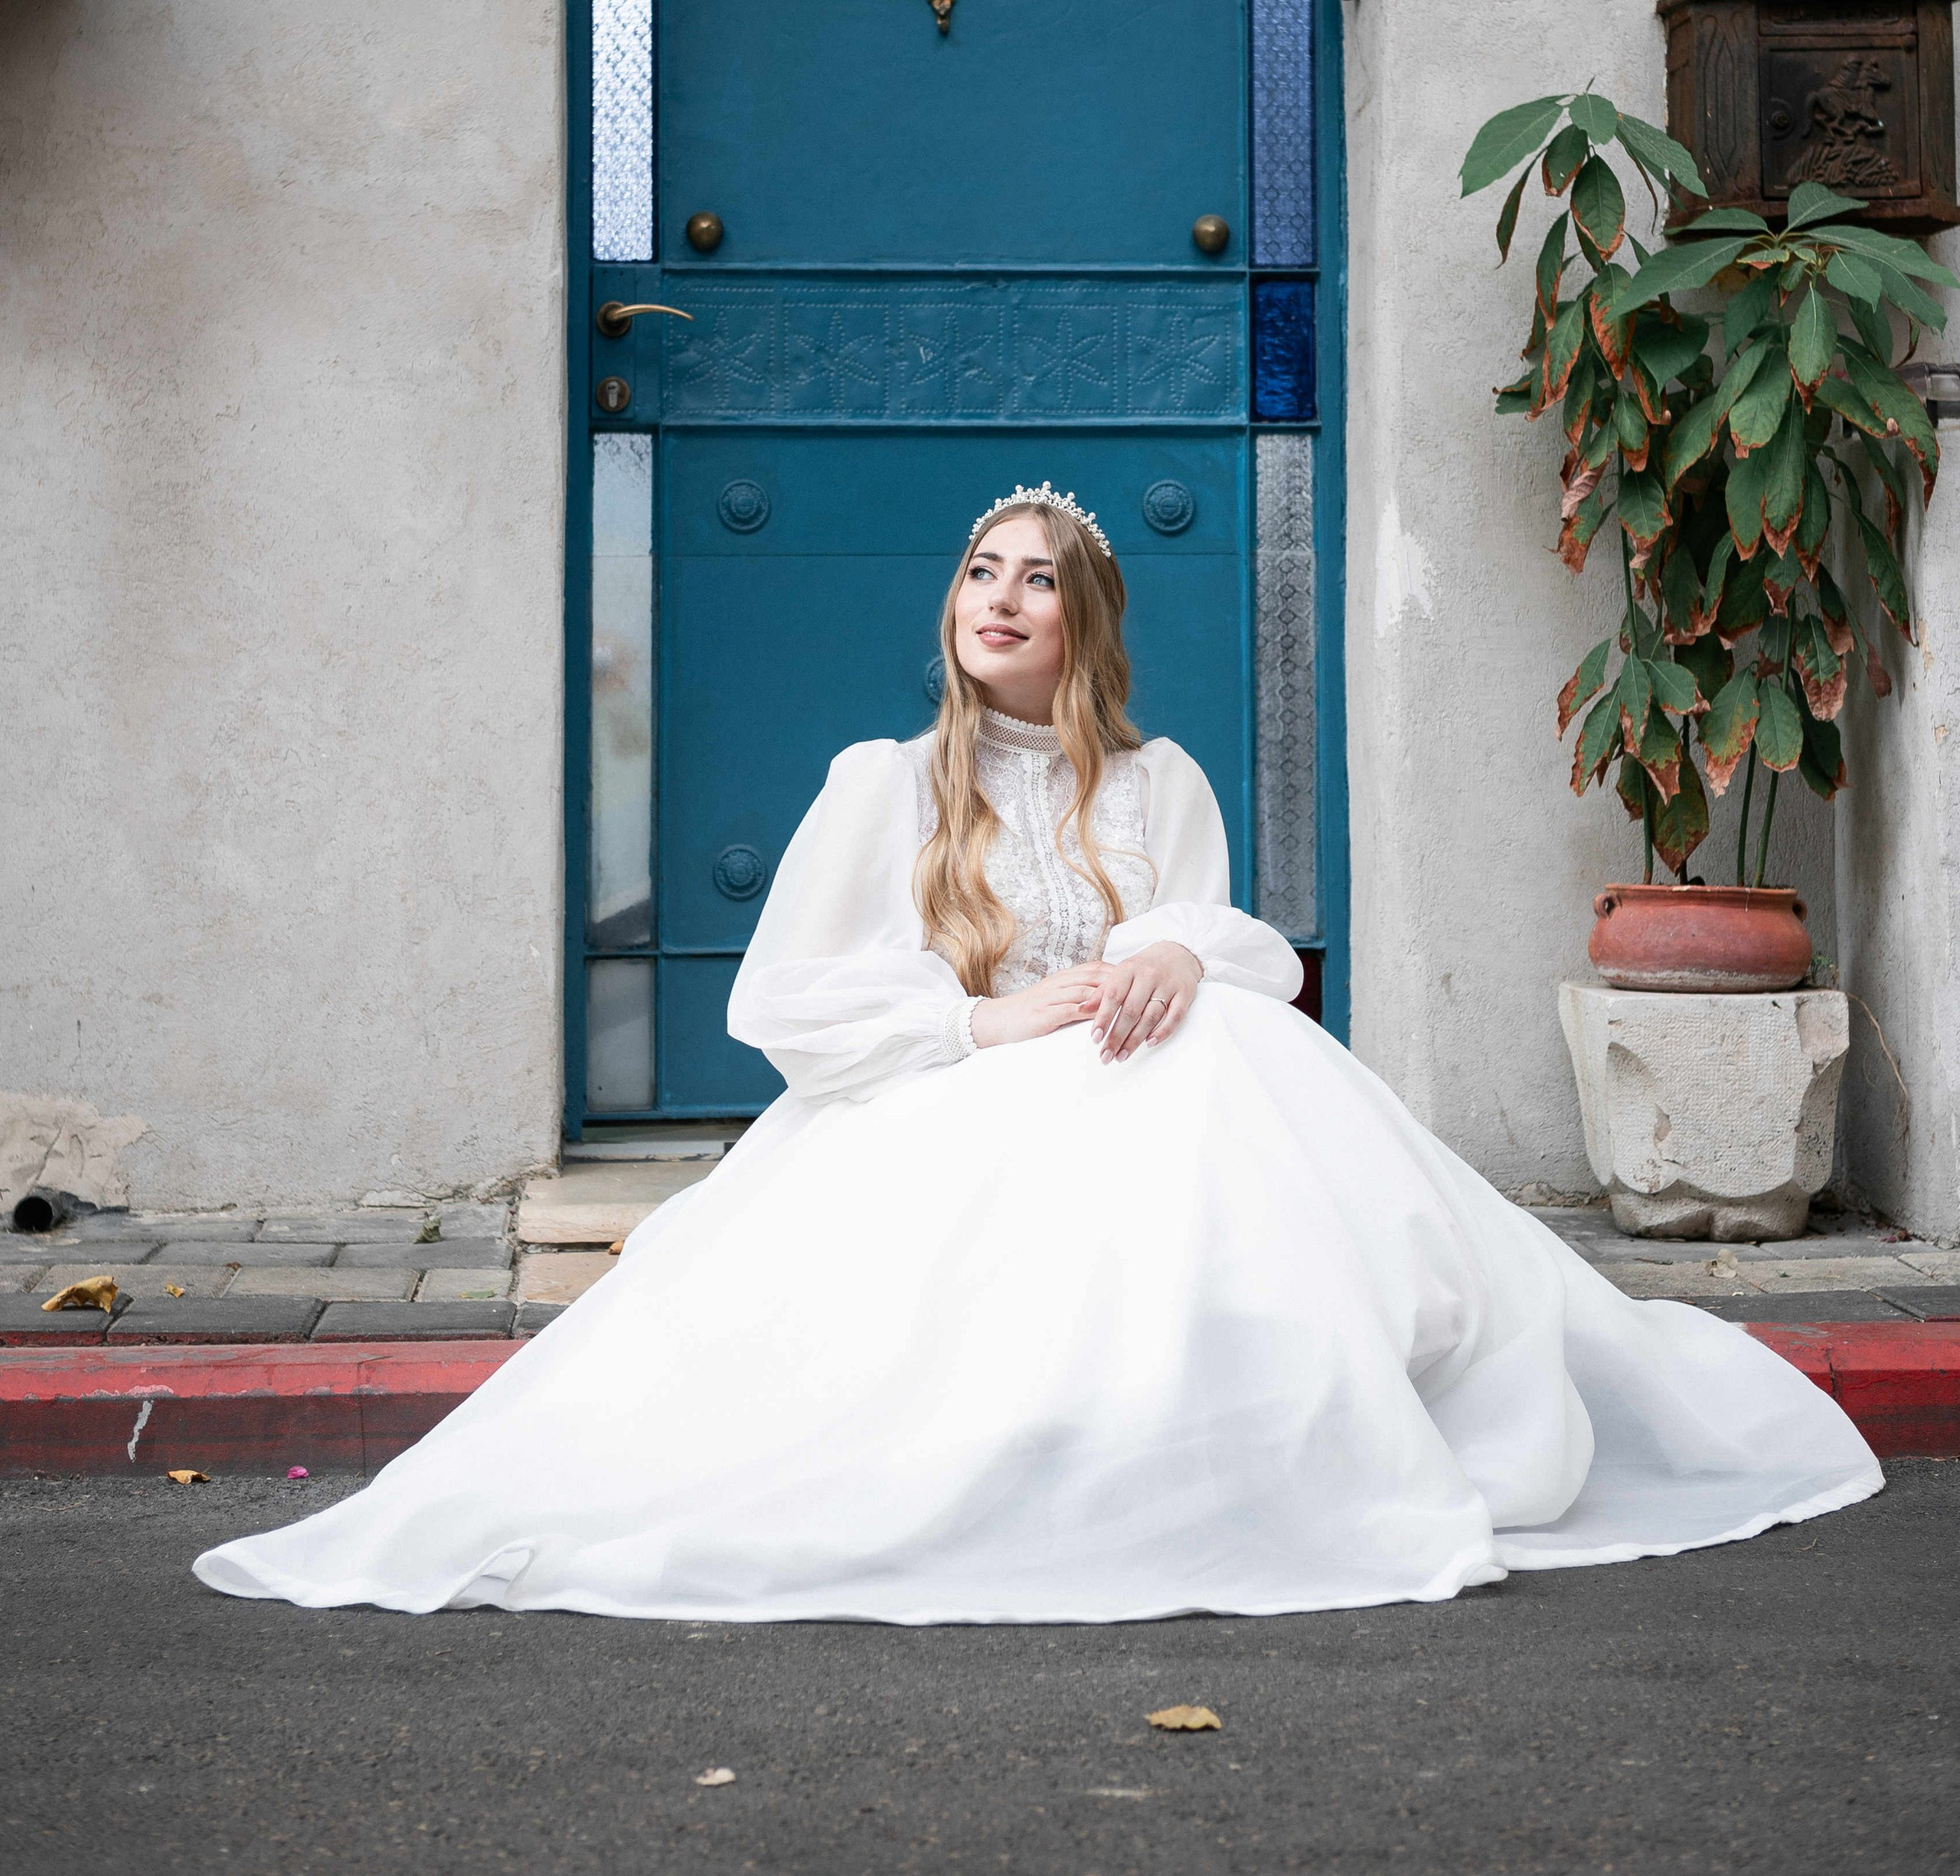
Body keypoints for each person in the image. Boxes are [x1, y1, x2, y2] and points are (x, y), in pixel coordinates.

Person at [194, 484, 1878, 1618]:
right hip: (947, 1108)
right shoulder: (878, 783)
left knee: (1233, 1049)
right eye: (977, 572)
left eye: (1035, 580)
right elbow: (775, 1003)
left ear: (1083, 621)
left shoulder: (1156, 786)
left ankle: (1255, 1423)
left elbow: (1227, 934)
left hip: (1136, 1094)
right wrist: (978, 1019)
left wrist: (1160, 960)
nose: (998, 600)